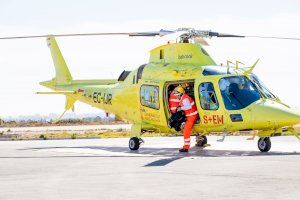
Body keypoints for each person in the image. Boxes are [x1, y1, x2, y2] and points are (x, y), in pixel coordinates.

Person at [173, 85, 198, 152]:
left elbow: (188, 107)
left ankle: (186, 147)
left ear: (180, 94)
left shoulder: (185, 99)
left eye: (177, 95)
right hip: (190, 115)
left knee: (186, 131)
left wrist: (181, 108)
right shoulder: (184, 97)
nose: (176, 97)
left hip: (191, 116)